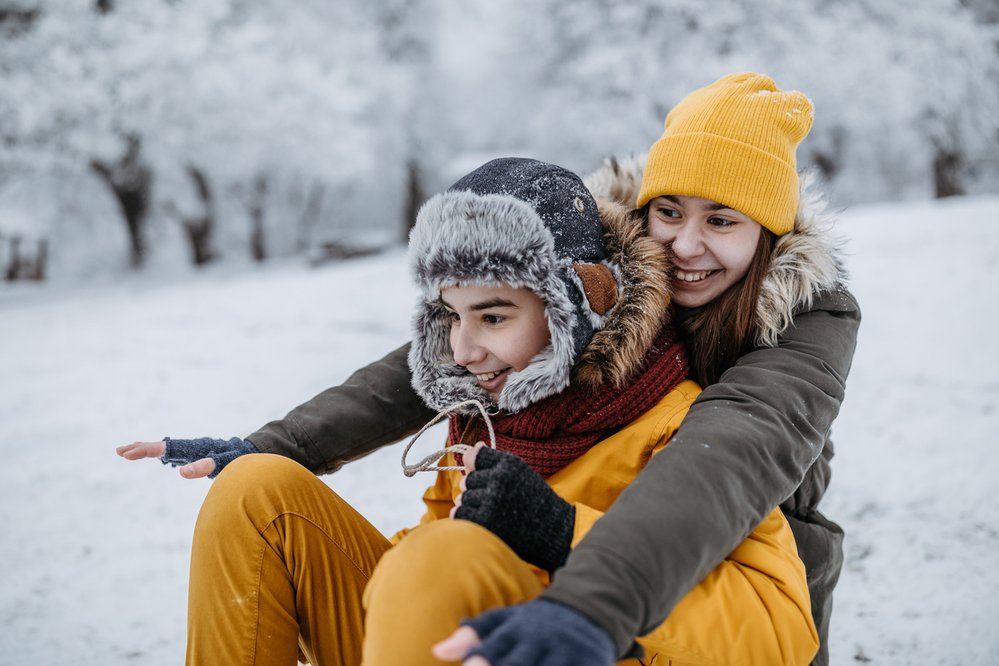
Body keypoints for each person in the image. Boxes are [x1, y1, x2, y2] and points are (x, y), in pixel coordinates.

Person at [119, 72, 860, 665]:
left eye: (722, 220)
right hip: (491, 607)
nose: (684, 246)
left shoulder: (799, 328)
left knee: (453, 553)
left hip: (679, 584)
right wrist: (275, 445)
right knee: (265, 493)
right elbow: (427, 364)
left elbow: (722, 462)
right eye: (669, 212)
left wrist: (573, 564)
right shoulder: (524, 364)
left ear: (767, 232)